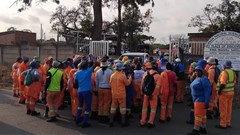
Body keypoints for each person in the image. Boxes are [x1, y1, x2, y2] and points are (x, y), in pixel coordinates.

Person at [188, 66, 211, 135]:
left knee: (197, 115)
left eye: (198, 71)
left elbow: (207, 91)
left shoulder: (204, 79)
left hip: (200, 100)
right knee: (203, 115)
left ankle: (196, 130)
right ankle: (203, 128)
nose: (196, 72)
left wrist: (207, 102)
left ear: (201, 72)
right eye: (196, 71)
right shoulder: (197, 78)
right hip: (197, 100)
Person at [109, 62, 132, 127]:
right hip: (121, 95)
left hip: (114, 94)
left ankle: (111, 121)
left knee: (113, 108)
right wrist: (130, 78)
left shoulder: (112, 76)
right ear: (121, 69)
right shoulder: (122, 76)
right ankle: (123, 122)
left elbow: (110, 84)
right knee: (122, 108)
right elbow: (127, 84)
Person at [215, 60, 237, 129]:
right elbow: (234, 82)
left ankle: (223, 124)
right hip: (231, 92)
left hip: (224, 93)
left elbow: (223, 83)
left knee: (223, 109)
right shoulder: (233, 72)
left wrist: (219, 91)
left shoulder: (224, 72)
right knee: (229, 108)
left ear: (224, 66)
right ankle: (228, 123)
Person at [140, 61, 161, 128]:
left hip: (145, 94)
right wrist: (152, 94)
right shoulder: (158, 76)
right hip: (153, 95)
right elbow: (157, 87)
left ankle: (142, 121)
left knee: (144, 108)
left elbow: (142, 84)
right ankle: (150, 122)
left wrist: (142, 93)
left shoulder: (145, 73)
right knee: (153, 109)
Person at [74, 60, 94, 128]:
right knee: (87, 107)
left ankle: (77, 118)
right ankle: (85, 122)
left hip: (80, 91)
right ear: (86, 66)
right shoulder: (88, 71)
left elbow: (75, 84)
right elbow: (95, 65)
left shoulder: (77, 73)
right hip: (87, 91)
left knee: (80, 106)